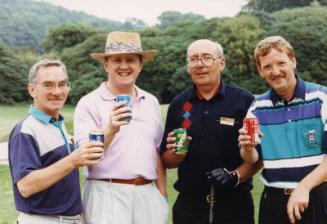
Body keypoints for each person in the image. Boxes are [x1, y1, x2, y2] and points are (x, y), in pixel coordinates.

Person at [160, 39, 260, 224]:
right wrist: (176, 154)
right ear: (188, 67)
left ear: (221, 63)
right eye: (194, 59)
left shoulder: (243, 100)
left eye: (207, 58)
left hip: (234, 205)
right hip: (189, 206)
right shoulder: (179, 103)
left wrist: (233, 176)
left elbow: (258, 157)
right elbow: (166, 161)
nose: (200, 64)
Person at [73, 31, 168, 224]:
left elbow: (156, 151)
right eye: (117, 60)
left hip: (147, 195)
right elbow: (85, 157)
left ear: (140, 65)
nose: (124, 66)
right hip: (106, 194)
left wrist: (161, 195)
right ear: (106, 65)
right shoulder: (89, 103)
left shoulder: (150, 102)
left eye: (131, 60)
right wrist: (110, 129)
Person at [239, 36, 327, 224]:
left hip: (318, 197)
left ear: (293, 61)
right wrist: (247, 148)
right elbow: (253, 159)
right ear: (260, 70)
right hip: (273, 203)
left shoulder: (322, 98)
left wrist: (303, 187)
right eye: (268, 66)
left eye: (281, 63)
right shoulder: (257, 107)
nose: (275, 71)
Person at [8, 59, 104, 224]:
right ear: (32, 90)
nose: (57, 91)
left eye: (62, 84)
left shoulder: (57, 125)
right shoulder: (26, 130)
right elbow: (26, 186)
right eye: (48, 85)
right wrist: (73, 160)